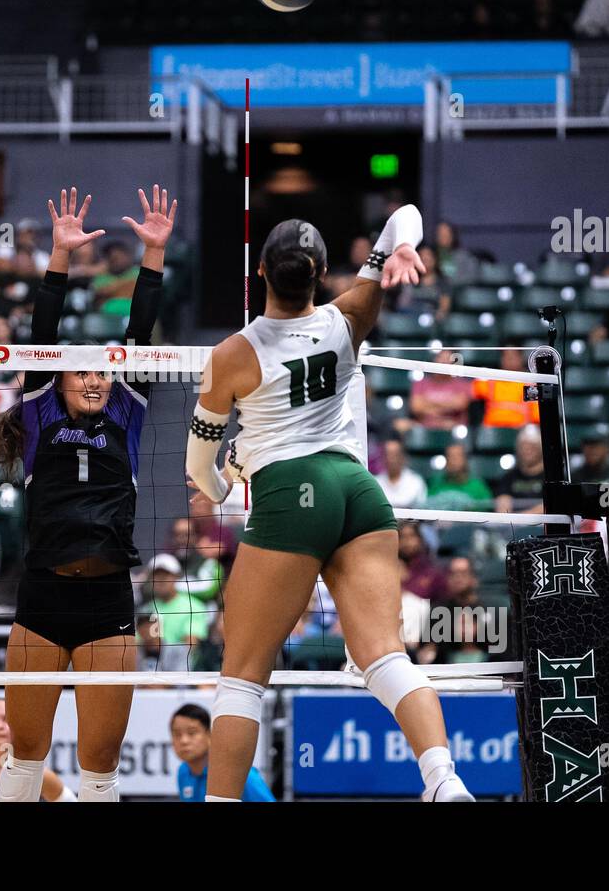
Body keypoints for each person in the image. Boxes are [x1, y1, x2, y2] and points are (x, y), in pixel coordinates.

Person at [186, 207, 472, 801]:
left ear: (260, 270)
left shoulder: (232, 354)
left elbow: (197, 469)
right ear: (319, 275)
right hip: (359, 490)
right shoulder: (351, 316)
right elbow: (404, 216)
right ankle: (443, 781)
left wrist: (222, 488)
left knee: (241, 676)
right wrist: (399, 248)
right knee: (383, 656)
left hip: (293, 494)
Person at [0, 185, 173, 802]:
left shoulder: (127, 413)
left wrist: (151, 254)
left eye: (102, 369)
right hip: (42, 599)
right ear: (58, 376)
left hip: (107, 602)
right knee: (24, 758)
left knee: (100, 766)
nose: (95, 377)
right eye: (81, 367)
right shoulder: (37, 415)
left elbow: (139, 331)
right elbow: (41, 331)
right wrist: (58, 255)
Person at [171, 704, 273, 802]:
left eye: (192, 733)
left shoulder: (240, 774)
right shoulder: (183, 772)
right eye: (177, 734)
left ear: (209, 735)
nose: (184, 740)